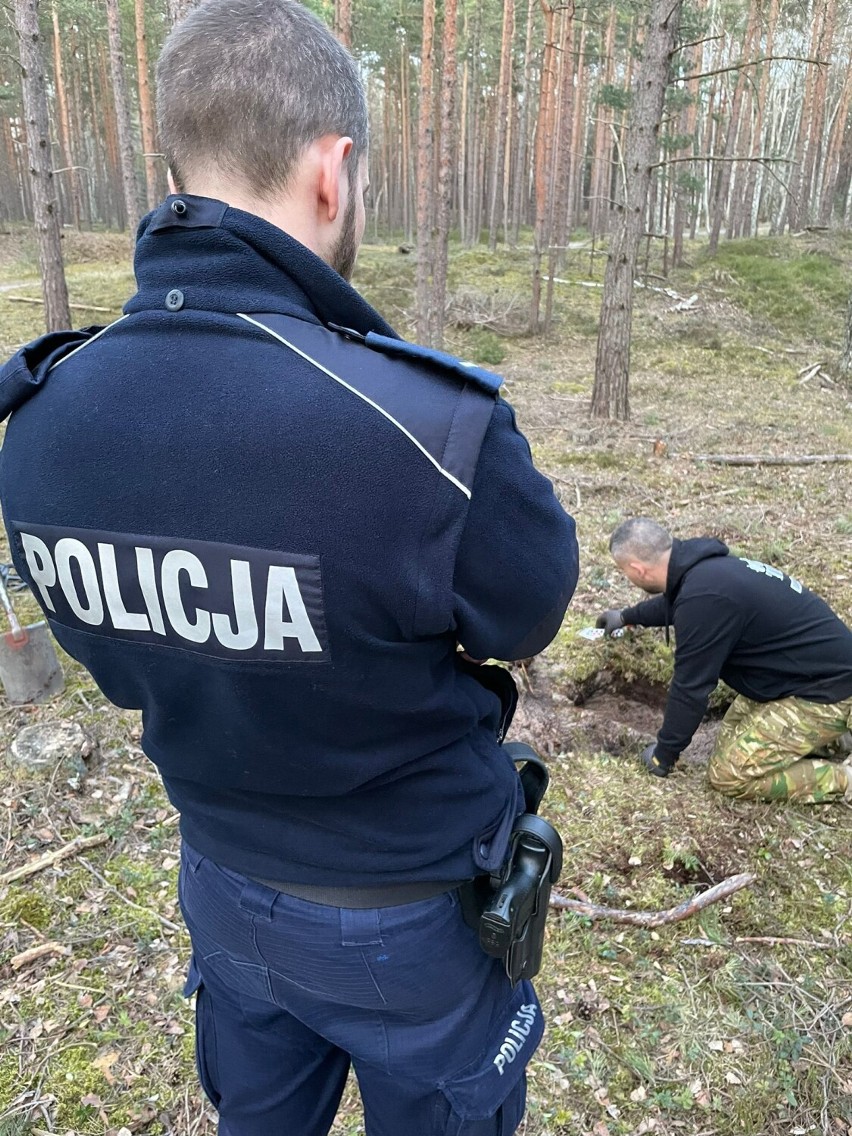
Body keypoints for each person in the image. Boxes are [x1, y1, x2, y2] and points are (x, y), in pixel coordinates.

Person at [0, 3, 579, 1133]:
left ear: (175, 160)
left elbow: (114, 655)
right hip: (412, 917)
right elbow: (529, 607)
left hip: (221, 884)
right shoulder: (425, 426)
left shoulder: (44, 420)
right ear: (334, 169)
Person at [597, 518, 852, 803]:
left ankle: (843, 777)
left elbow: (691, 688)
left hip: (828, 691)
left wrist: (663, 755)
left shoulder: (704, 597)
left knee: (728, 774)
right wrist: (627, 616)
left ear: (637, 569)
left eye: (624, 572)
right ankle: (832, 739)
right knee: (730, 738)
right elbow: (678, 603)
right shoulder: (707, 571)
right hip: (798, 677)